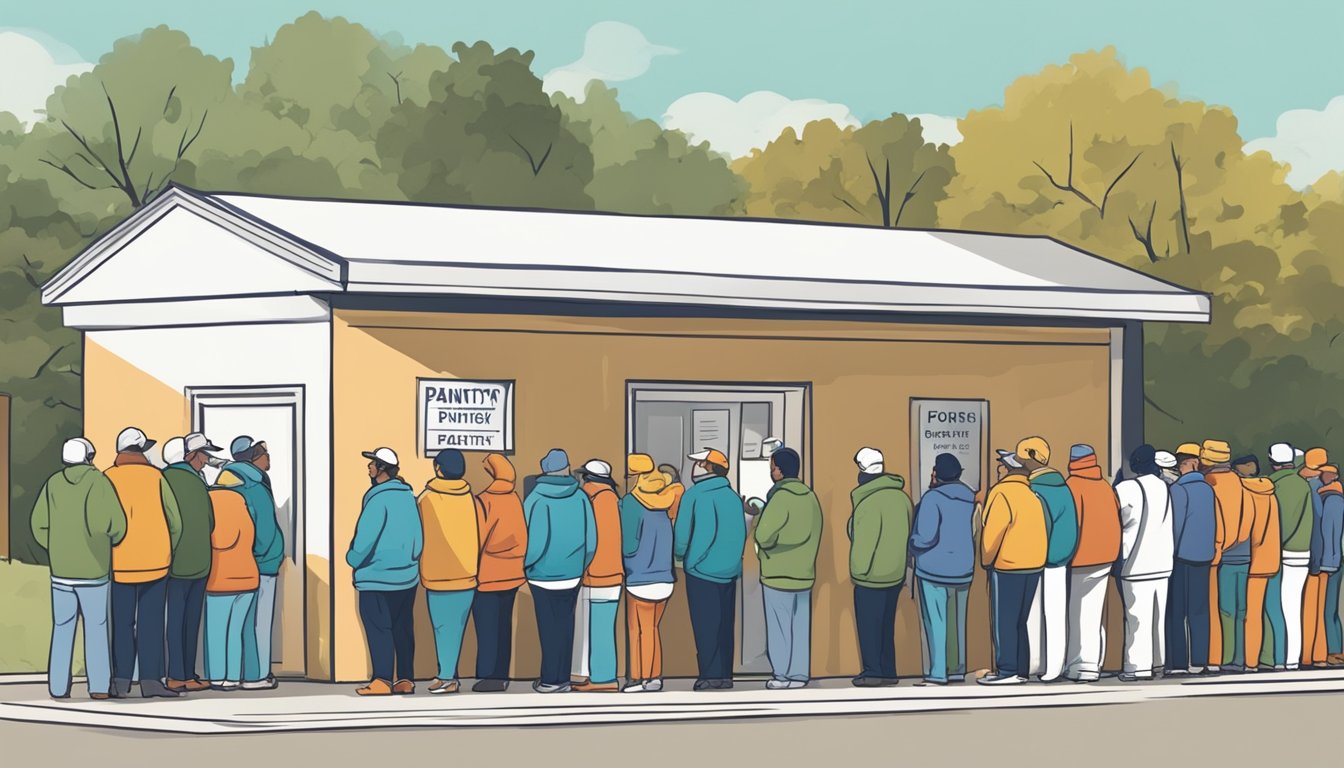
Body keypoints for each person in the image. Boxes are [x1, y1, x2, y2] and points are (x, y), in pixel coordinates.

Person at [31, 438, 126, 700]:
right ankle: (98, 687)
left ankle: (58, 686)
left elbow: (38, 524)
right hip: (94, 571)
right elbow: (116, 524)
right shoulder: (99, 482)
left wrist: (55, 547)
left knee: (62, 627)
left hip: (61, 571)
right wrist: (104, 542)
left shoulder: (52, 484)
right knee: (96, 628)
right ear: (89, 456)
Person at [105, 427, 182, 699]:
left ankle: (121, 681)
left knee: (122, 623)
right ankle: (151, 682)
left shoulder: (107, 477)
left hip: (119, 562)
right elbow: (175, 521)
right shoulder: (157, 477)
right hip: (155, 562)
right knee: (151, 623)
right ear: (140, 450)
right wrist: (167, 547)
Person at [347, 447, 423, 696]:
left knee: (379, 629)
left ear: (382, 469)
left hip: (376, 578)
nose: (368, 468)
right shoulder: (408, 497)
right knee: (403, 628)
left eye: (372, 464)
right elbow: (418, 539)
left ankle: (381, 681)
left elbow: (364, 540)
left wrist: (353, 559)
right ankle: (405, 679)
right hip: (406, 577)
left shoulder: (377, 499)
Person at [524, 448, 597, 693]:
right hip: (572, 574)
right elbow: (591, 541)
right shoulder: (581, 498)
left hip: (542, 576)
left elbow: (532, 543)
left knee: (548, 629)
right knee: (566, 627)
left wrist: (528, 565)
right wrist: (580, 565)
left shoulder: (535, 498)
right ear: (566, 469)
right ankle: (563, 679)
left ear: (544, 470)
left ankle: (549, 680)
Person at [675, 448, 747, 691]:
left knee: (706, 625)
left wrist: (685, 558)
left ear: (708, 467)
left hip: (701, 571)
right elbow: (740, 534)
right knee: (725, 624)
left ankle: (709, 675)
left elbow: (683, 536)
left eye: (699, 463)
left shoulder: (694, 495)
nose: (695, 467)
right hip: (728, 571)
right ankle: (725, 675)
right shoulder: (733, 497)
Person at [753, 447, 823, 690]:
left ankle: (781, 675)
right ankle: (799, 674)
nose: (771, 471)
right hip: (804, 574)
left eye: (772, 467)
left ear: (780, 471)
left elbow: (763, 535)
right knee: (800, 627)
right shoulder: (810, 497)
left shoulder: (780, 497)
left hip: (778, 574)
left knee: (779, 627)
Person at [417, 448, 483, 695]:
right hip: (467, 573)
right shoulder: (471, 499)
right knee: (455, 629)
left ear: (438, 468)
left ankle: (447, 677)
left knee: (443, 629)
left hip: (437, 574)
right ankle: (448, 674)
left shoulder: (426, 499)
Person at [978, 449, 1047, 685]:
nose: (999, 469)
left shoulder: (1001, 493)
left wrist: (987, 560)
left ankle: (1007, 670)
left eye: (1001, 465)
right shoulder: (1031, 494)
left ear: (1007, 469)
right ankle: (1021, 669)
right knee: (1021, 621)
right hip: (1034, 566)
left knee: (1004, 620)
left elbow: (993, 534)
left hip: (1008, 565)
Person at [220, 435, 284, 690]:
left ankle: (236, 673)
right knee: (258, 621)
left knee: (238, 622)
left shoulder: (227, 483)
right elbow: (265, 529)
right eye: (265, 453)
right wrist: (269, 556)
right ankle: (256, 675)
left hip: (232, 564)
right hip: (261, 564)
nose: (269, 458)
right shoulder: (255, 486)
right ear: (254, 456)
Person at [847, 447, 911, 687]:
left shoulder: (868, 503)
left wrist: (857, 572)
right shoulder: (902, 498)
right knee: (886, 627)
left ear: (862, 472)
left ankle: (872, 672)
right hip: (895, 573)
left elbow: (864, 543)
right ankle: (888, 671)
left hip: (870, 576)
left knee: (869, 627)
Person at [162, 433, 221, 693]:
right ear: (190, 455)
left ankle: (178, 674)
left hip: (173, 563)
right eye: (204, 454)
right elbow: (210, 521)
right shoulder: (198, 483)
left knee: (175, 620)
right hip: (200, 562)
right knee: (190, 621)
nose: (206, 460)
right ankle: (185, 674)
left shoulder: (163, 479)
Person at [911, 453, 976, 686]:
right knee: (957, 622)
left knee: (936, 621)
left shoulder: (932, 498)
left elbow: (926, 536)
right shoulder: (970, 498)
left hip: (934, 569)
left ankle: (938, 672)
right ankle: (957, 669)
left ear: (937, 474)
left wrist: (912, 542)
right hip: (963, 568)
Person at [1018, 437, 1078, 683]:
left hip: (1036, 559)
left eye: (1022, 457)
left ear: (1031, 458)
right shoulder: (1063, 488)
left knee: (1033, 613)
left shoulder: (1034, 490)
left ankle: (1037, 664)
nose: (1020, 462)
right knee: (1055, 614)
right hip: (1059, 560)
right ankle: (1053, 665)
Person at [621, 453, 681, 693]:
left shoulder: (631, 502)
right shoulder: (666, 499)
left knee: (637, 629)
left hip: (639, 576)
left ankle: (639, 677)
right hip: (664, 576)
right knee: (653, 628)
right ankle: (654, 676)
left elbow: (628, 543)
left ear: (635, 477)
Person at [1115, 445, 1174, 681]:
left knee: (1137, 617)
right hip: (1162, 561)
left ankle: (1137, 667)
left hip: (1136, 562)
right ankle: (1158, 663)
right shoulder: (1163, 486)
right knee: (1157, 617)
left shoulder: (1127, 488)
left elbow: (1118, 518)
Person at [1064, 444, 1122, 683]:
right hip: (1106, 557)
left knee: (1077, 613)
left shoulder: (1072, 487)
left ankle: (1081, 666)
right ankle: (1094, 662)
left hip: (1080, 558)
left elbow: (1071, 525)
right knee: (1094, 612)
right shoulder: (1106, 487)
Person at [472, 453, 528, 692]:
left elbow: (478, 538)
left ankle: (489, 677)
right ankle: (502, 674)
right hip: (513, 573)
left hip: (487, 574)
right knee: (503, 625)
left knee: (486, 628)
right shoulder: (515, 499)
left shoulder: (483, 500)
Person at [203, 468, 259, 691]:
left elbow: (221, 539)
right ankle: (233, 676)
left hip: (221, 578)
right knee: (235, 631)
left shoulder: (213, 503)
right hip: (248, 577)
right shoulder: (243, 505)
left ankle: (217, 676)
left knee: (216, 630)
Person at [572, 459, 623, 693]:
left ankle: (600, 679)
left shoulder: (586, 497)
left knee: (587, 629)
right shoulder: (615, 500)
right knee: (604, 627)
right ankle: (602, 676)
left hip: (592, 572)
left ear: (587, 478)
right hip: (614, 573)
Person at [1165, 446, 1216, 676]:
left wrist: (1170, 552)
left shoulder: (1178, 490)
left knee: (1177, 611)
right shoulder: (1207, 490)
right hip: (1204, 556)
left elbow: (1175, 526)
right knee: (1199, 610)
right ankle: (1199, 659)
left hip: (1182, 556)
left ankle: (1178, 662)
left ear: (1183, 464)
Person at [1263, 443, 1311, 671]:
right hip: (1303, 553)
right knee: (1293, 607)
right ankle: (1291, 658)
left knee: (1281, 607)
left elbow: (1283, 524)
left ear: (1272, 462)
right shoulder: (1302, 484)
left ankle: (1283, 658)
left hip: (1283, 554)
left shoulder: (1277, 485)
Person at [1203, 439, 1249, 672]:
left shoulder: (1210, 484)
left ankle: (1223, 657)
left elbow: (1213, 519)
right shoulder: (1241, 483)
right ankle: (1241, 657)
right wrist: (1239, 539)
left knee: (1224, 609)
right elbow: (1248, 515)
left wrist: (1222, 546)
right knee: (1243, 611)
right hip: (1244, 553)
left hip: (1220, 555)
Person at [1241, 469, 1280, 672]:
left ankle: (1250, 661)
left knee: (1250, 613)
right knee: (1269, 611)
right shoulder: (1271, 494)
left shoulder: (1247, 493)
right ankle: (1271, 658)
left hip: (1251, 561)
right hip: (1270, 559)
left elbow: (1245, 530)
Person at [1302, 448, 1331, 667]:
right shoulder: (1320, 489)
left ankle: (1309, 656)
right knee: (1317, 608)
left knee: (1310, 607)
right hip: (1319, 557)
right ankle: (1317, 654)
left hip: (1313, 558)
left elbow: (1314, 527)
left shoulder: (1310, 488)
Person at [1319, 464, 1344, 666]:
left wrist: (1329, 563)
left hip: (1331, 561)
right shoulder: (1333, 496)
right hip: (1334, 559)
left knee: (1328, 608)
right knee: (1330, 608)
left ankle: (1334, 650)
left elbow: (1331, 533)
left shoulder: (1332, 498)